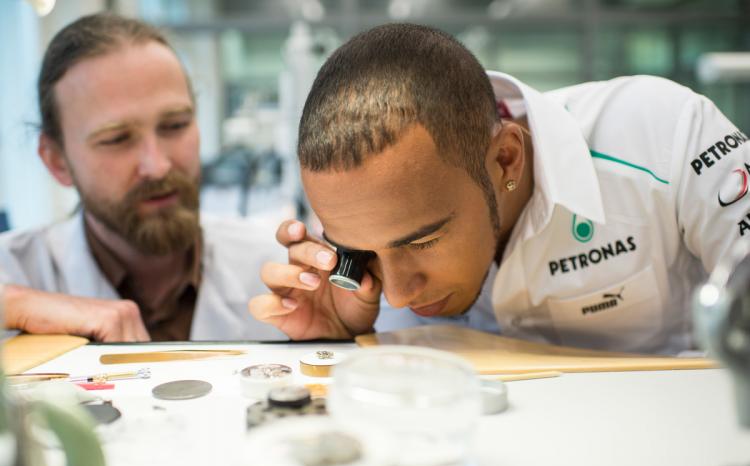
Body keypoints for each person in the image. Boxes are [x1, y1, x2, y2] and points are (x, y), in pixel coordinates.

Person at [249, 23, 750, 354]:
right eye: (362, 252)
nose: (398, 295)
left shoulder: (664, 137)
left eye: (422, 241)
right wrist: (343, 339)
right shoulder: (373, 244)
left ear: (505, 158)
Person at [0, 13, 285, 342]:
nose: (158, 166)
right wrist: (14, 305)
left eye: (175, 125)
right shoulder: (17, 273)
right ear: (57, 161)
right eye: (117, 139)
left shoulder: (273, 268)